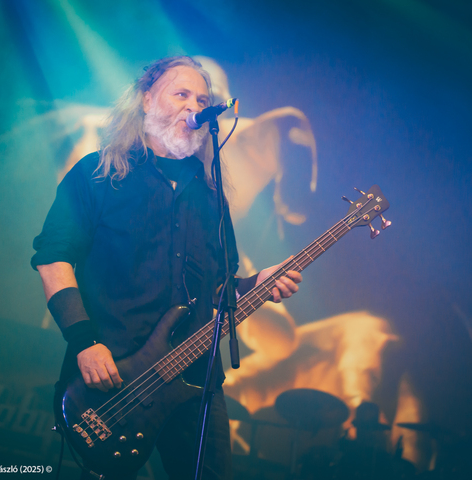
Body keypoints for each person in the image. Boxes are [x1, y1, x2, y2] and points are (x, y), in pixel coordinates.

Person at [31, 56, 301, 480]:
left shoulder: (210, 197)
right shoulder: (97, 173)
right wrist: (84, 343)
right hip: (113, 373)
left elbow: (218, 290)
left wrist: (256, 284)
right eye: (181, 94)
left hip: (193, 380)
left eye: (202, 100)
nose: (194, 106)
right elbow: (53, 258)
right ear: (146, 100)